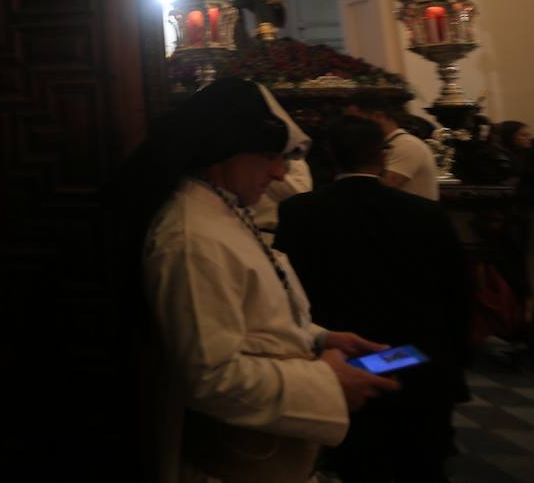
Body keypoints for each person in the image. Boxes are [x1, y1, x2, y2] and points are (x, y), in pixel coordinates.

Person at [112, 78, 400, 482]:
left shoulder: (221, 209)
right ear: (223, 151)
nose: (281, 173)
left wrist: (318, 339)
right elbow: (210, 377)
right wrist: (326, 380)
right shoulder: (191, 237)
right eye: (269, 156)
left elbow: (250, 315)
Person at [274, 116, 471, 482]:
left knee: (359, 463)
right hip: (415, 356)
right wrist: (453, 360)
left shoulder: (300, 212)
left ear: (331, 156)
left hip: (349, 362)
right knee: (421, 463)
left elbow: (291, 292)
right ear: (382, 157)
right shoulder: (426, 214)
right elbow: (456, 292)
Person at [343, 91, 440, 200]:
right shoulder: (385, 143)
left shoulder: (407, 145)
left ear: (378, 116)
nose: (349, 126)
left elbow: (378, 191)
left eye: (355, 120)